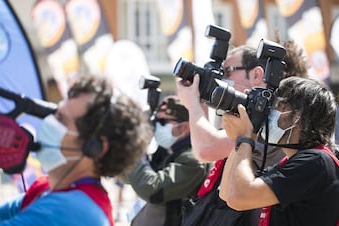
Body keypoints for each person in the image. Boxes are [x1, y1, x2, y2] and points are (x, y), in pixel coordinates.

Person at [0, 76, 152, 226]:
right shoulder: (48, 188)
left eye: (61, 120)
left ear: (95, 147)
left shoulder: (72, 208)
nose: (49, 123)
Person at [177, 39, 309, 226]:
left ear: (256, 74)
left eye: (228, 71)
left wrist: (193, 104)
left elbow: (207, 148)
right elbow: (225, 191)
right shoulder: (251, 118)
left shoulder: (273, 121)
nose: (222, 78)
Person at [220, 76, 339, 225]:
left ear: (298, 117)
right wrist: (242, 139)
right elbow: (227, 193)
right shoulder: (297, 161)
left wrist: (245, 138)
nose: (269, 112)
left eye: (278, 106)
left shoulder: (315, 162)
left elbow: (239, 197)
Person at [124, 95, 208, 226]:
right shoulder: (167, 151)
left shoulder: (194, 160)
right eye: (155, 122)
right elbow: (132, 177)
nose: (156, 127)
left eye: (163, 122)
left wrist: (137, 145)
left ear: (184, 127)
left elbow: (150, 189)